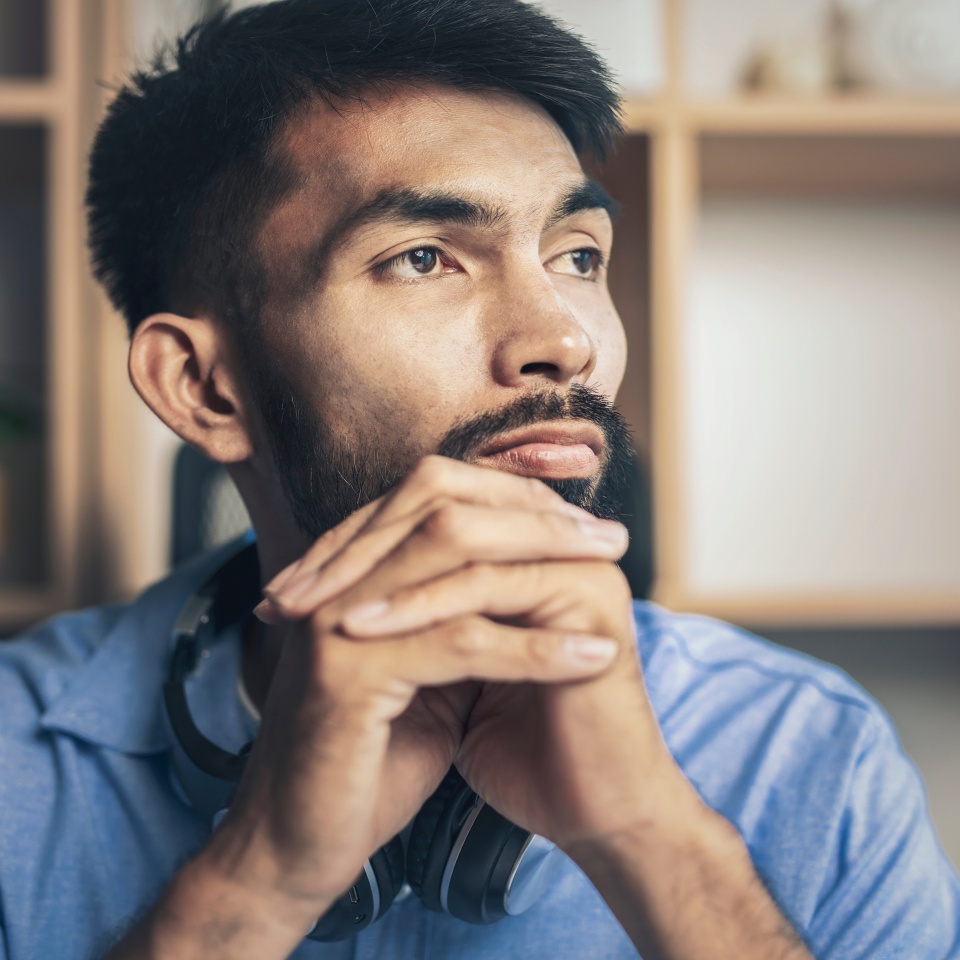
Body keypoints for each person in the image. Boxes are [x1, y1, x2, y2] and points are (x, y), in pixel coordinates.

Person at [0, 1, 957, 957]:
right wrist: (259, 878)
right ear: (205, 388)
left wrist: (653, 839)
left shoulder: (811, 751)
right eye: (424, 259)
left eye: (577, 256)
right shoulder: (14, 758)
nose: (566, 340)